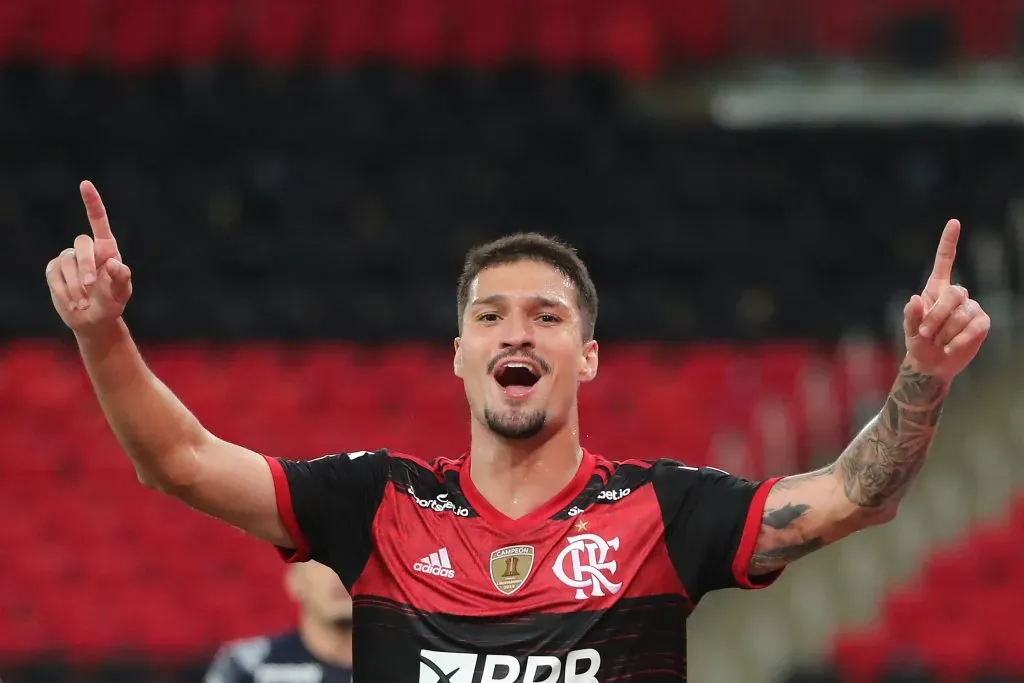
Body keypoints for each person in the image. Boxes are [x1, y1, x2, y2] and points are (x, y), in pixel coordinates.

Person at [46, 180, 990, 682]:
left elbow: (857, 495)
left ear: (588, 355)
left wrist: (924, 372)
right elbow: (180, 462)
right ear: (459, 355)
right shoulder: (378, 504)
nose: (517, 333)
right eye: (491, 316)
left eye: (547, 316)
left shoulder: (663, 510)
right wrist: (102, 333)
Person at [204, 561, 353, 683]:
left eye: (355, 560)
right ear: (295, 582)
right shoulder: (244, 665)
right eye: (322, 561)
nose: (338, 574)